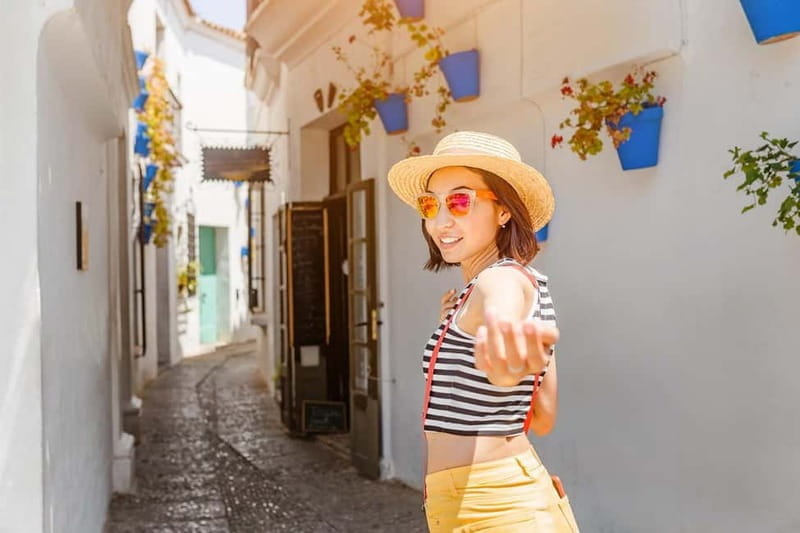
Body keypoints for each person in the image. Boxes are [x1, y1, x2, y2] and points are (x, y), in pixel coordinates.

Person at [387, 131, 579, 532]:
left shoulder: (503, 282)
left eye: (460, 200)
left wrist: (499, 337)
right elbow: (543, 418)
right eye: (430, 204)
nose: (441, 220)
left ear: (504, 210)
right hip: (490, 499)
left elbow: (500, 304)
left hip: (495, 508)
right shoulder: (501, 291)